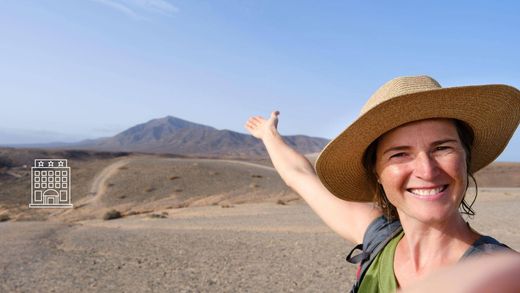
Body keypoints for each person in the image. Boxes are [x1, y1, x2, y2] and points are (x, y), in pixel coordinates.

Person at [245, 75, 520, 292]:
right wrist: (269, 135)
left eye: (442, 148)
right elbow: (300, 177)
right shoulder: (379, 239)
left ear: (465, 157)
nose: (426, 170)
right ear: (376, 171)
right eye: (400, 154)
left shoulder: (502, 276)